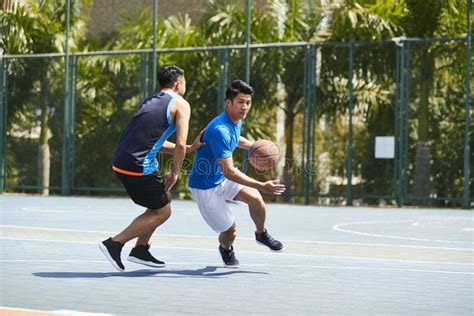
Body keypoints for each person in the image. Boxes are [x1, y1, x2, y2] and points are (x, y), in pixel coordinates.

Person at [99, 65, 203, 272]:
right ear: (178, 84)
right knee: (163, 212)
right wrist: (175, 172)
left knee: (162, 199)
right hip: (138, 166)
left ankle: (141, 249)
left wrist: (190, 148)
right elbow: (179, 144)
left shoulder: (150, 101)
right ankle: (114, 244)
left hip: (121, 161)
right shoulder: (181, 104)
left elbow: (154, 143)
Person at [188, 79, 286, 268]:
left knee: (256, 199)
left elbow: (236, 139)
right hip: (205, 187)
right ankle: (225, 248)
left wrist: (254, 146)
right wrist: (263, 185)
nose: (245, 107)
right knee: (230, 232)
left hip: (220, 178)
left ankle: (261, 234)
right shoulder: (220, 130)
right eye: (240, 102)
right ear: (229, 103)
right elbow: (230, 172)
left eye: (248, 102)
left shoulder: (234, 121)